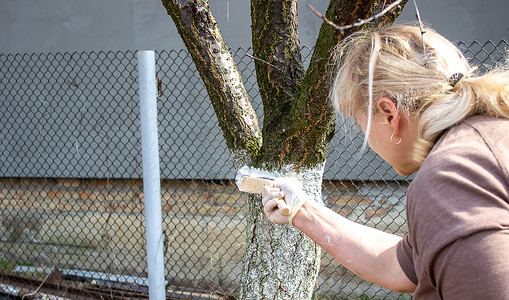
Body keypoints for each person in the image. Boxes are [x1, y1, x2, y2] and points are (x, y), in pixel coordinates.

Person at [261, 25, 509, 299]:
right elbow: (399, 266)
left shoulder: (450, 177)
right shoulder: (488, 139)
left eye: (360, 123)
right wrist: (303, 211)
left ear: (389, 115)